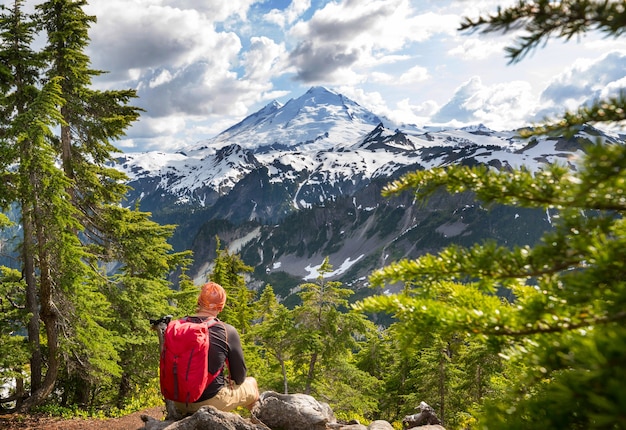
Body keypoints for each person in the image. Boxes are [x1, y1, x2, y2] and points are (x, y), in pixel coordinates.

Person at [173, 281, 259, 415]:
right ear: (221, 306)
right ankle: (255, 424)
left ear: (199, 301)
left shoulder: (179, 325)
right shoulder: (227, 331)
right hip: (210, 402)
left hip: (178, 400)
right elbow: (240, 377)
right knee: (252, 383)